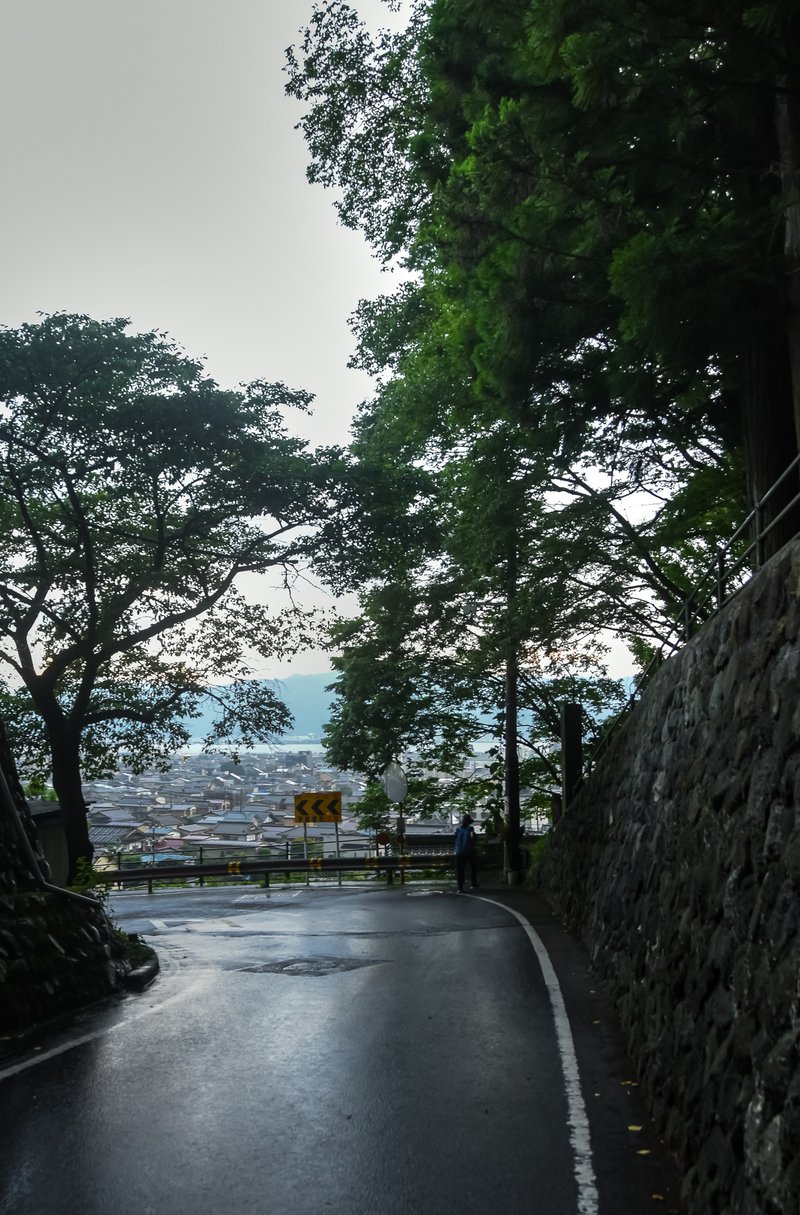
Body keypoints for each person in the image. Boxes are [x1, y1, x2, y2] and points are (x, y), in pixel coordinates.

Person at [454, 813, 479, 892]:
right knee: (473, 867)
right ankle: (474, 883)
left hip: (459, 851)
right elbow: (472, 837)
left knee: (460, 869)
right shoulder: (470, 829)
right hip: (469, 851)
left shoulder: (458, 829)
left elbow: (455, 838)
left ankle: (460, 887)